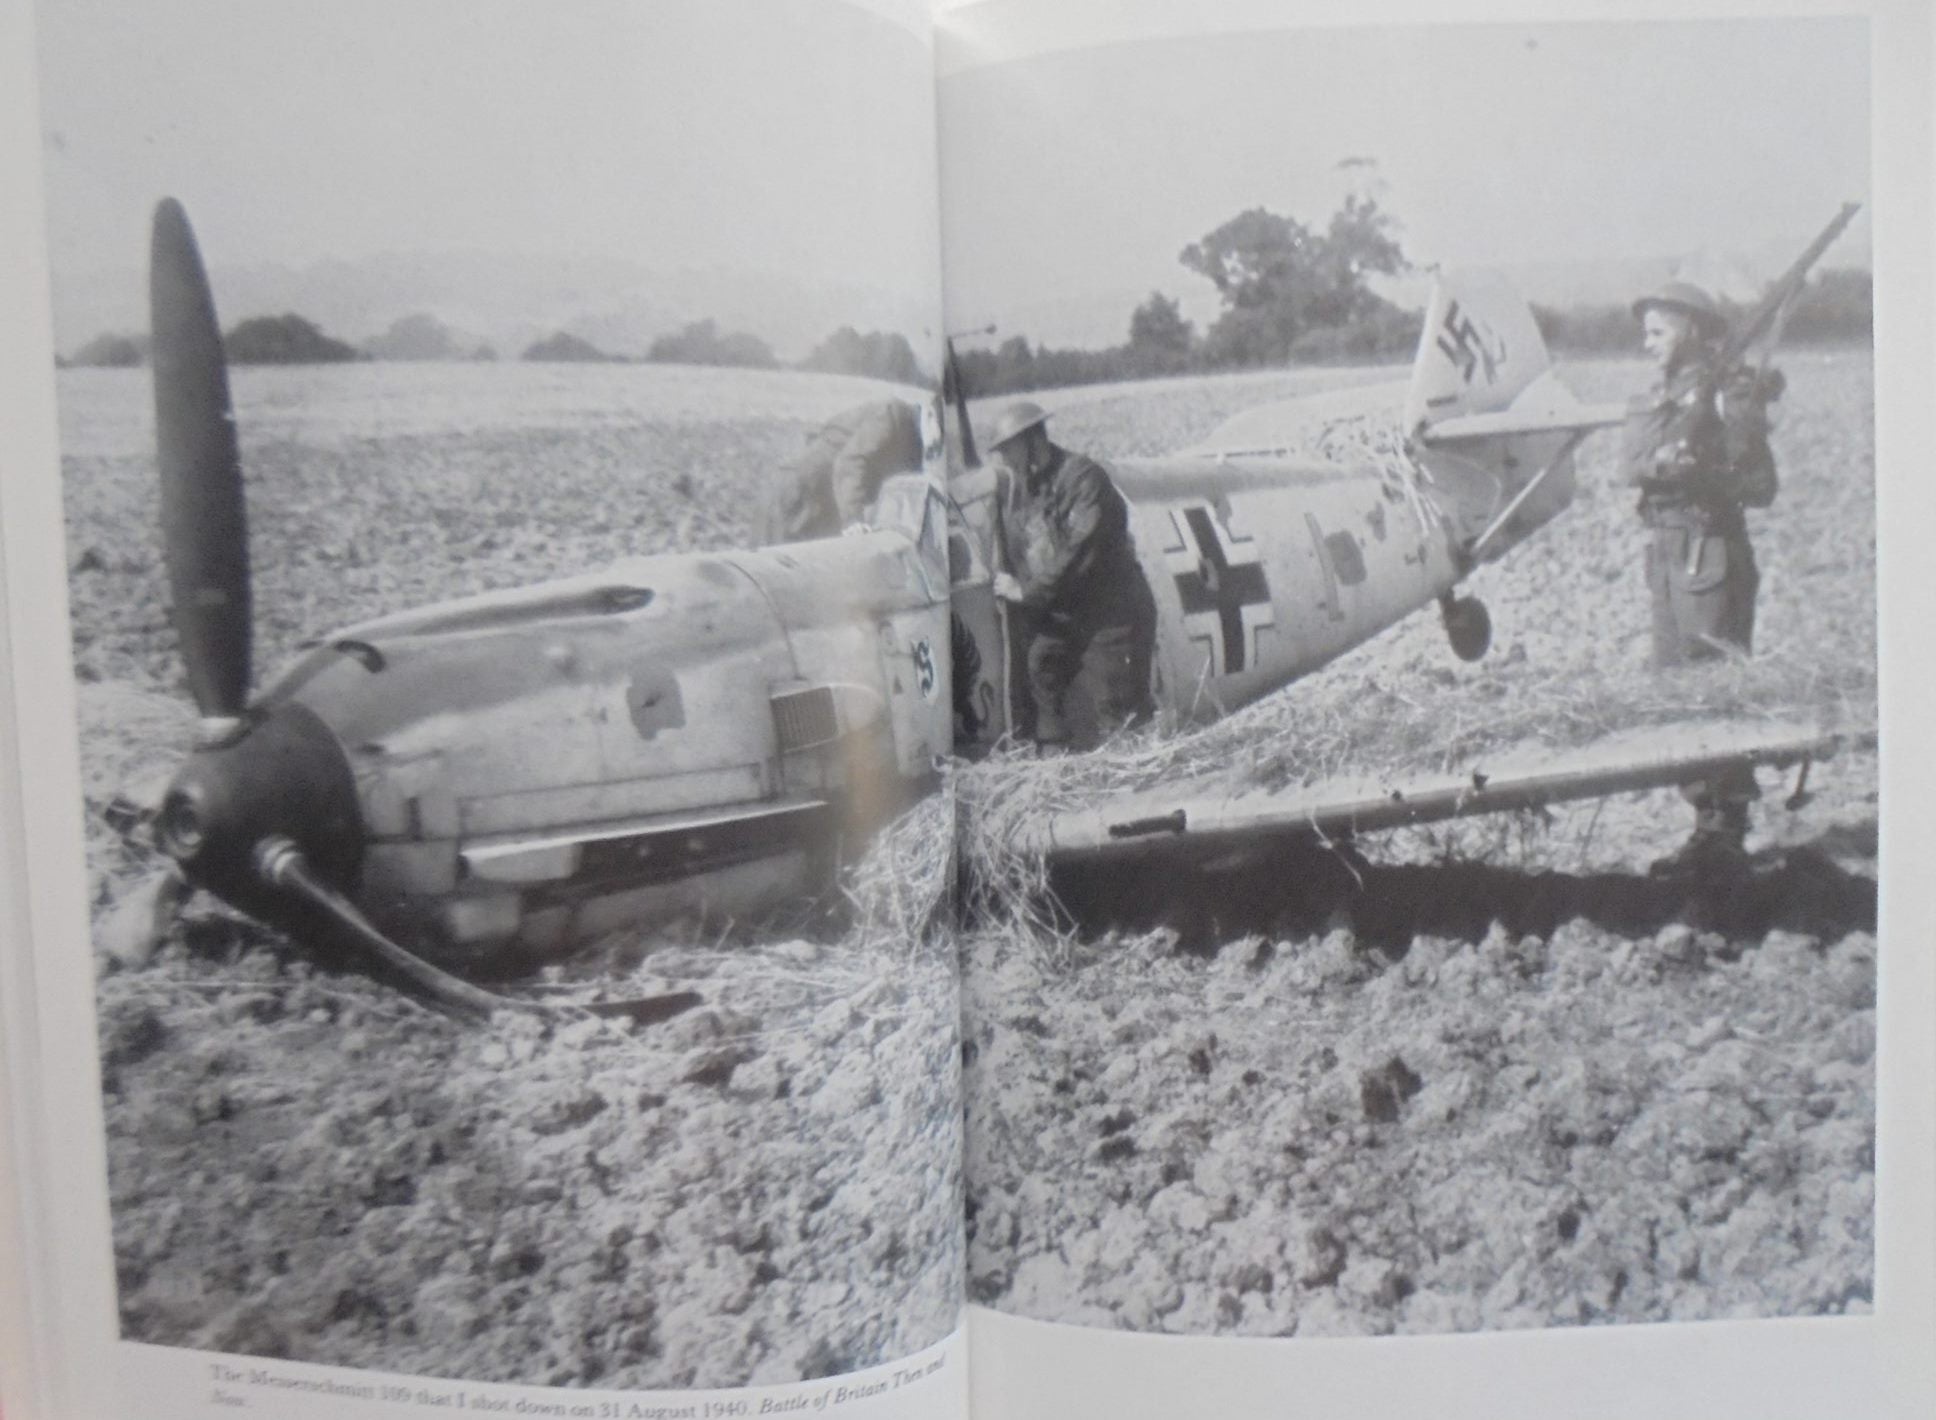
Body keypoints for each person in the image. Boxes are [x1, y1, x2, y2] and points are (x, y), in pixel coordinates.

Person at [1619, 280, 1781, 875]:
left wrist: (1707, 465)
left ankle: (1726, 831)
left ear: (1690, 328)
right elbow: (1628, 464)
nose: (1647, 343)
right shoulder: (1664, 394)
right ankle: (1705, 829)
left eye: (1658, 330)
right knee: (1677, 693)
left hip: (1709, 549)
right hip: (1666, 553)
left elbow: (1760, 485)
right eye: (1646, 331)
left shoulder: (1727, 393)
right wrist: (1665, 463)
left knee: (1717, 690)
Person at [985, 399, 1156, 751]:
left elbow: (1079, 552)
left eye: (1009, 450)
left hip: (1113, 611)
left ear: (1034, 441)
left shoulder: (1083, 478)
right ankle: (1057, 762)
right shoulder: (1026, 491)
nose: (1005, 461)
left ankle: (1131, 775)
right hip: (1067, 609)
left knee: (1116, 708)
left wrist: (1026, 593)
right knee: (1042, 665)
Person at [763, 398, 924, 545]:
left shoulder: (916, 440)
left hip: (821, 506)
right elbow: (849, 462)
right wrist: (853, 520)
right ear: (931, 416)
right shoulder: (894, 415)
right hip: (798, 498)